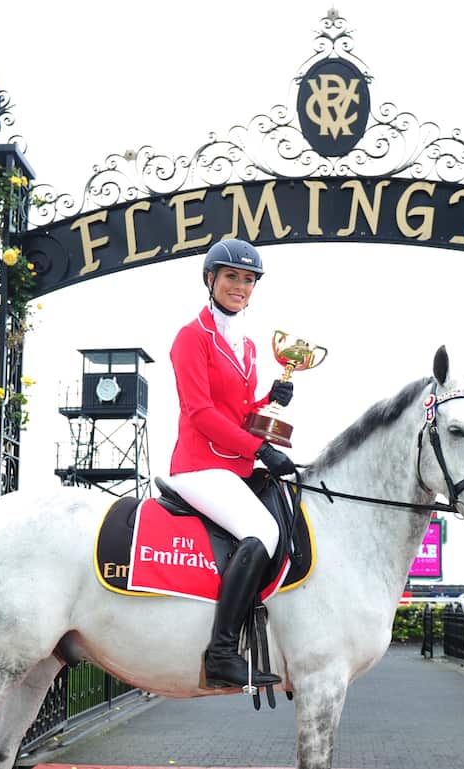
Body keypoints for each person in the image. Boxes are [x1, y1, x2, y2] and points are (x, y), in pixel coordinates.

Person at [168, 238, 297, 689]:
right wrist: (261, 450)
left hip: (233, 464)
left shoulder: (245, 346)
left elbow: (237, 413)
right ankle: (221, 652)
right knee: (263, 531)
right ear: (210, 279)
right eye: (231, 277)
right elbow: (200, 414)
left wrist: (269, 400)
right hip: (199, 466)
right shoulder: (190, 337)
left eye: (248, 280)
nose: (239, 286)